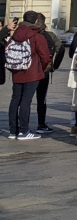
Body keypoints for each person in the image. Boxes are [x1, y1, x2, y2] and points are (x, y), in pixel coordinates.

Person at [7, 10, 51, 140]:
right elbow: (45, 56)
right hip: (32, 72)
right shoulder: (37, 35)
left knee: (15, 100)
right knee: (26, 100)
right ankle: (24, 131)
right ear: (36, 21)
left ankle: (12, 131)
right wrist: (40, 69)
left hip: (16, 71)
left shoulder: (16, 33)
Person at [33, 13, 60, 135]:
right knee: (41, 98)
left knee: (23, 99)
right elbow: (61, 49)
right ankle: (41, 124)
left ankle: (20, 126)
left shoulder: (24, 33)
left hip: (26, 70)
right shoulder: (50, 35)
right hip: (44, 71)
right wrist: (54, 65)